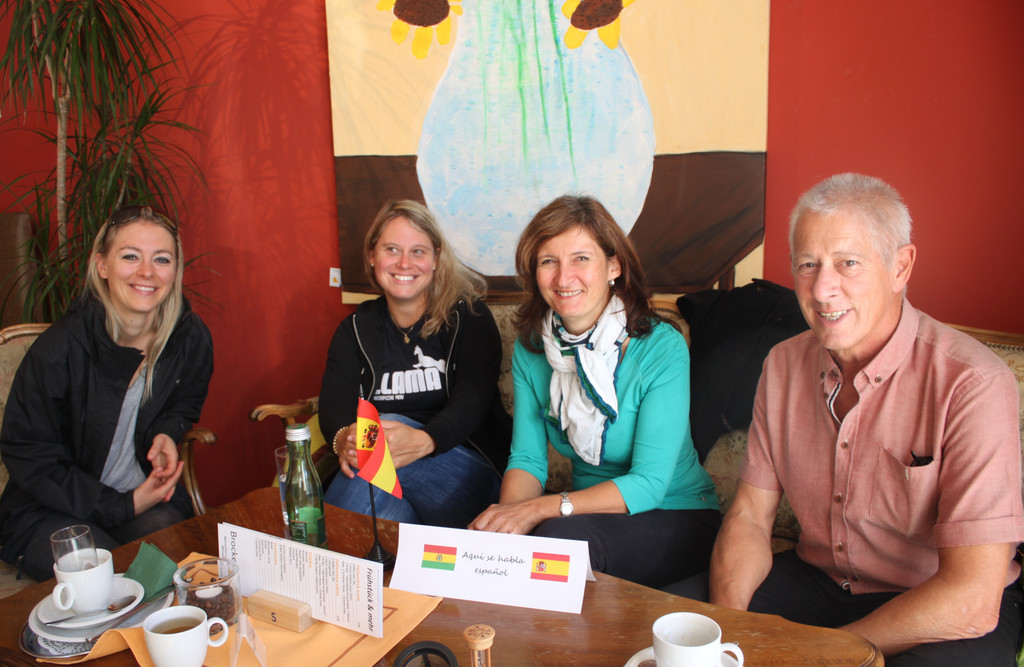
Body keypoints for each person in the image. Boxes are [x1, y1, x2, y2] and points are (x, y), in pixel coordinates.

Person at [683, 173, 1024, 665]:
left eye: (848, 263)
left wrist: (826, 653)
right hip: (817, 581)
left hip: (935, 601)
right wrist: (728, 632)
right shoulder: (782, 364)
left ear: (900, 267)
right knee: (672, 633)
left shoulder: (973, 382)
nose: (823, 289)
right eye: (808, 264)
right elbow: (750, 518)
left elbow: (971, 595)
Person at [469, 194, 721, 588]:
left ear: (613, 267)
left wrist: (538, 510)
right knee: (491, 541)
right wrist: (505, 527)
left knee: (556, 544)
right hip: (586, 517)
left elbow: (649, 484)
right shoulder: (532, 348)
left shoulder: (661, 347)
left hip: (678, 513)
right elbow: (528, 460)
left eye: (581, 258)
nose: (563, 278)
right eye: (548, 261)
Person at [0, 206, 214, 581]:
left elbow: (185, 403)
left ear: (175, 270)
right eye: (130, 256)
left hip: (139, 495)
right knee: (104, 580)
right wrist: (120, 506)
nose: (147, 272)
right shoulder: (60, 350)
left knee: (179, 568)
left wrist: (167, 432)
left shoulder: (188, 337)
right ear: (102, 265)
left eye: (161, 259)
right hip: (51, 510)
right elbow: (30, 455)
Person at [320, 200, 511, 528]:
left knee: (383, 429)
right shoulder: (355, 329)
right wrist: (343, 441)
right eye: (392, 249)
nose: (404, 263)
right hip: (384, 481)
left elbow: (474, 401)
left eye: (418, 251)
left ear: (436, 258)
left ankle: (313, 552)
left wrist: (425, 441)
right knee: (383, 511)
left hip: (467, 477)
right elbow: (334, 405)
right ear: (372, 255)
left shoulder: (469, 318)